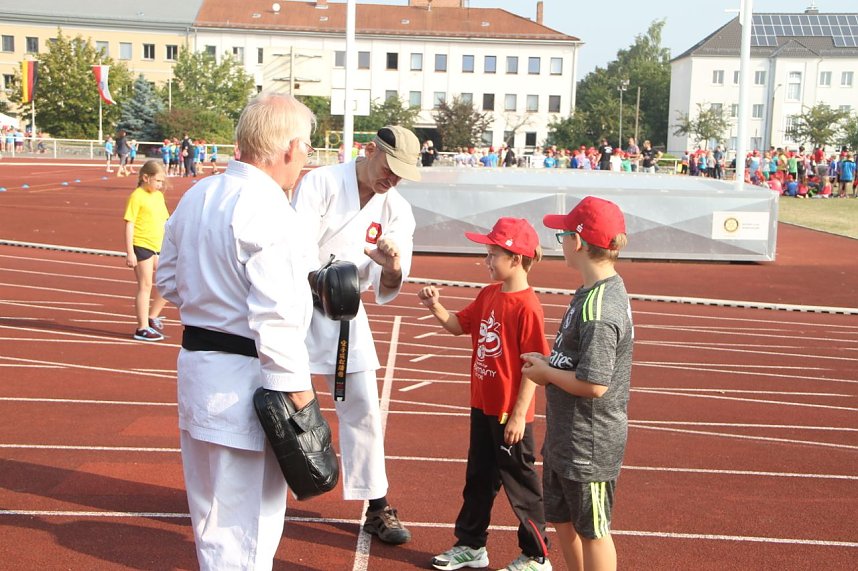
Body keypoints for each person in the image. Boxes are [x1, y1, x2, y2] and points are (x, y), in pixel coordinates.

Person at [155, 93, 318, 570]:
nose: (305, 160)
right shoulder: (269, 209)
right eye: (306, 148)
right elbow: (277, 313)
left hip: (199, 371)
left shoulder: (197, 194)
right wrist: (300, 392)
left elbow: (167, 278)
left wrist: (211, 306)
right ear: (289, 147)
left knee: (212, 518)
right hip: (250, 384)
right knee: (247, 528)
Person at [292, 125, 420, 545]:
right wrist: (322, 278)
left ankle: (377, 506)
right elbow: (294, 247)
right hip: (294, 307)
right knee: (275, 401)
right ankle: (261, 493)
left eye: (402, 174)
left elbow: (392, 279)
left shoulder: (397, 209)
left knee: (363, 406)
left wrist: (391, 265)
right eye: (389, 167)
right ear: (369, 150)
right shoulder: (322, 182)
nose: (392, 178)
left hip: (345, 315)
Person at [417, 217, 552, 571]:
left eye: (493, 254)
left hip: (510, 414)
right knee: (478, 477)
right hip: (482, 406)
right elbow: (458, 326)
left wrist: (520, 414)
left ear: (517, 258)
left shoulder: (527, 306)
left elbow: (534, 366)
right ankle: (471, 544)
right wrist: (435, 307)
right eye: (487, 253)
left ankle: (536, 555)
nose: (487, 261)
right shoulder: (488, 294)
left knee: (520, 483)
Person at [521, 196, 633, 571]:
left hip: (589, 443)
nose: (561, 241)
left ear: (579, 242)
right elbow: (576, 360)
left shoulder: (600, 308)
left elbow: (596, 383)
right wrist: (550, 362)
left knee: (593, 530)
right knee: (565, 521)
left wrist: (546, 375)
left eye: (564, 234)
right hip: (566, 437)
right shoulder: (589, 292)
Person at [123, 159, 169, 341]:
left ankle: (152, 317)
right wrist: (130, 252)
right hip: (141, 245)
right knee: (146, 285)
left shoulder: (158, 196)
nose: (160, 185)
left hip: (157, 246)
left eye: (162, 182)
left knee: (170, 280)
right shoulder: (137, 196)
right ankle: (141, 328)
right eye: (157, 181)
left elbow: (165, 220)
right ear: (146, 178)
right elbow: (129, 224)